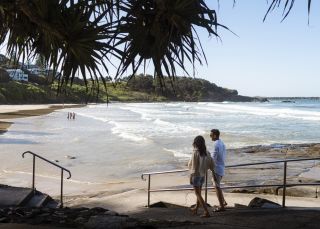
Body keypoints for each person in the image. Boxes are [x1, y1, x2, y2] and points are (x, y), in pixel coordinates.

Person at [188, 135, 213, 218]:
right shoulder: (206, 152)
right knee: (199, 193)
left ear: (196, 143)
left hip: (196, 175)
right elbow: (211, 163)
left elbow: (193, 166)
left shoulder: (195, 152)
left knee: (197, 194)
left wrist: (191, 176)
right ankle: (196, 208)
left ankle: (206, 212)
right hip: (203, 175)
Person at [210, 129, 227, 212]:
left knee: (217, 187)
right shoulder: (222, 143)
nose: (210, 137)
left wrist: (208, 166)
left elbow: (213, 158)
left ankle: (221, 206)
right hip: (222, 167)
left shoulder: (216, 144)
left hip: (216, 169)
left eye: (211, 135)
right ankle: (223, 202)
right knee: (217, 186)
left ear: (215, 135)